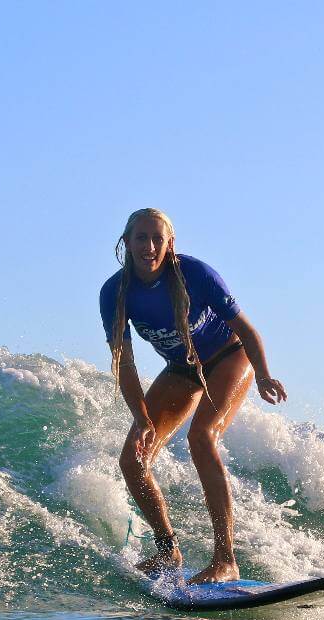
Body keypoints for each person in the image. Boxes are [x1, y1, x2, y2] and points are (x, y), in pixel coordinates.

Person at [100, 208, 287, 584]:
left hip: (229, 356)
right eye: (141, 238)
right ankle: (167, 551)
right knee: (133, 460)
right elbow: (125, 364)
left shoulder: (196, 274)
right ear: (126, 243)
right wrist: (141, 418)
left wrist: (264, 374)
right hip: (182, 369)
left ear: (169, 244)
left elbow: (246, 330)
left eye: (158, 239)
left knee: (202, 437)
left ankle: (226, 560)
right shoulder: (115, 293)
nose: (149, 246)